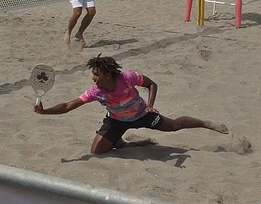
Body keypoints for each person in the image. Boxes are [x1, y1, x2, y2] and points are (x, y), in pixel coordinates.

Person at [33, 55, 227, 155]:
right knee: (97, 152)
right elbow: (68, 106)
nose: (93, 79)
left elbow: (152, 84)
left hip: (142, 114)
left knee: (174, 125)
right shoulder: (96, 92)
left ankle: (206, 124)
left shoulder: (128, 77)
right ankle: (120, 140)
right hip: (116, 121)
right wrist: (45, 111)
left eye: (96, 74)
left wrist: (150, 105)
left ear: (108, 74)